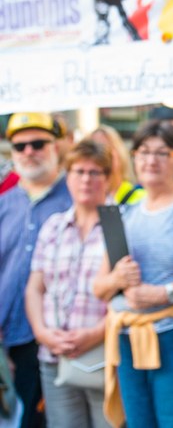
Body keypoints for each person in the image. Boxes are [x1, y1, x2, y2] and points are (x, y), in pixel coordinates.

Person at [93, 120, 173, 428]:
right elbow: (99, 287)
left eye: (162, 153)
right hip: (125, 335)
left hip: (171, 333)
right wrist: (117, 279)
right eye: (144, 152)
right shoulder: (125, 209)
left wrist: (165, 293)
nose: (151, 160)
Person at [25, 140, 113, 428]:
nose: (86, 179)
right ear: (68, 177)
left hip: (103, 355)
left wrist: (94, 334)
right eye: (79, 172)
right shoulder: (53, 226)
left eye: (94, 172)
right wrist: (42, 333)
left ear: (107, 178)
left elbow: (124, 296)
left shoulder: (118, 225)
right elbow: (35, 288)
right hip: (54, 355)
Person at [0, 112, 72, 428]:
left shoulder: (77, 196)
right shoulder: (4, 203)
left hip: (61, 336)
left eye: (38, 144)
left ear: (55, 146)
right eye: (20, 146)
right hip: (9, 335)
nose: (29, 152)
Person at [89, 125, 146, 205]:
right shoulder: (83, 200)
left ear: (119, 155)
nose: (99, 157)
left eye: (106, 150)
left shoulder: (141, 198)